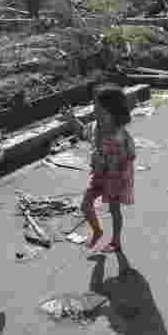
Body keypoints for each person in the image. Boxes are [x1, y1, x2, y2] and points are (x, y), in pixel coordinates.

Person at [60, 84, 136, 253]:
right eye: (95, 107)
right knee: (85, 205)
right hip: (100, 175)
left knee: (115, 211)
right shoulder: (96, 127)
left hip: (115, 179)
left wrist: (116, 166)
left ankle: (116, 242)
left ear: (113, 112)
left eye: (100, 109)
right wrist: (72, 120)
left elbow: (130, 155)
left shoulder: (120, 135)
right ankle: (97, 231)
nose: (96, 111)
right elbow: (83, 133)